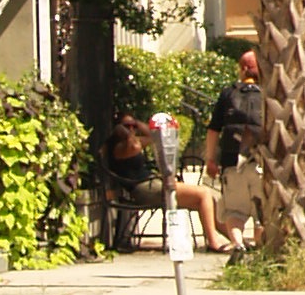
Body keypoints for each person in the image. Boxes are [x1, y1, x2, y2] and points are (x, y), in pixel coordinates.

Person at [109, 105, 238, 255]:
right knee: (203, 194)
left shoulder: (128, 143)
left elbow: (153, 137)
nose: (132, 129)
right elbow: (154, 136)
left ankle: (235, 239)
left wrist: (135, 124)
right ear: (119, 129)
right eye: (127, 126)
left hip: (152, 183)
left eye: (133, 126)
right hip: (143, 188)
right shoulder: (122, 147)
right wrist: (135, 126)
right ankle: (213, 241)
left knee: (209, 200)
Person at [201, 51, 265, 248]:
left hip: (232, 162)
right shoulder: (267, 92)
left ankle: (238, 245)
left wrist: (210, 160)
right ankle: (261, 252)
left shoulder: (228, 93)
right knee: (261, 215)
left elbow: (213, 130)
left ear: (243, 68)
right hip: (261, 163)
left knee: (234, 213)